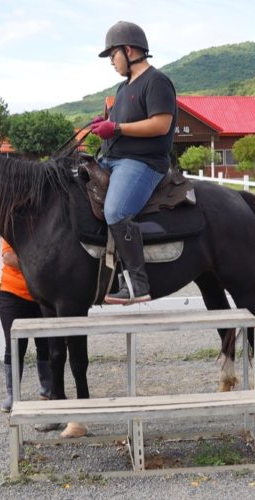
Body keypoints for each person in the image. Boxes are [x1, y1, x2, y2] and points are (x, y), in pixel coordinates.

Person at [90, 20, 177, 305]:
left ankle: (138, 283)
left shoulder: (157, 81)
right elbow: (121, 122)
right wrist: (106, 123)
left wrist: (115, 129)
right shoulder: (121, 87)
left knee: (115, 211)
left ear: (128, 51)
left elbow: (161, 124)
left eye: (113, 55)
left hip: (141, 163)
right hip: (112, 159)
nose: (111, 62)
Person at [0, 237, 57, 432]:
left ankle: (47, 390)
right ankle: (13, 394)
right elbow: (8, 257)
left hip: (42, 292)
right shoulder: (10, 224)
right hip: (13, 292)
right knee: (14, 346)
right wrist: (39, 262)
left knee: (45, 344)